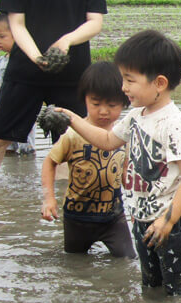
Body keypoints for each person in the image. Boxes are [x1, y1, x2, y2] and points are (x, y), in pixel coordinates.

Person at [56, 30, 181, 295]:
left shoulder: (172, 124)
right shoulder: (136, 116)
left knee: (175, 292)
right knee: (150, 285)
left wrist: (167, 221)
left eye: (129, 80)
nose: (123, 87)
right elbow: (109, 140)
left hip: (171, 220)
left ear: (159, 83)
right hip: (143, 217)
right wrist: (71, 119)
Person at [0, 0, 106, 174]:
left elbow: (95, 22)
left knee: (70, 141)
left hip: (71, 73)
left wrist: (67, 40)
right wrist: (36, 57)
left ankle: (64, 197)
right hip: (24, 72)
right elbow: (16, 23)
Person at [41, 62, 135, 258]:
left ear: (125, 102)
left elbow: (127, 172)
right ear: (85, 100)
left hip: (113, 217)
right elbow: (50, 162)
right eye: (96, 103)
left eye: (112, 105)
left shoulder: (124, 135)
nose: (103, 111)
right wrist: (49, 198)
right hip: (77, 217)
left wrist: (136, 205)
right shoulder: (72, 134)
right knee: (75, 264)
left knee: (126, 260)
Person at [0, 13, 36, 155]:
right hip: (4, 111)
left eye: (2, 36)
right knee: (4, 148)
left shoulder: (27, 61)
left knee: (26, 151)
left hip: (22, 111)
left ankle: (26, 175)